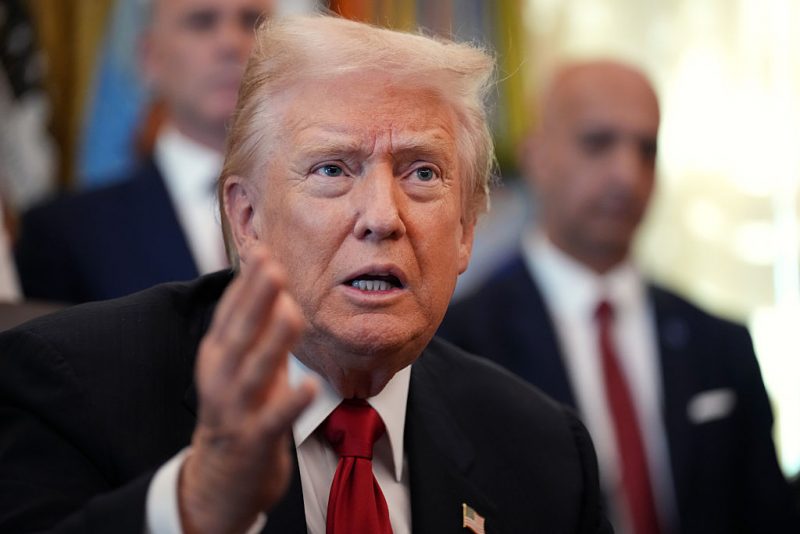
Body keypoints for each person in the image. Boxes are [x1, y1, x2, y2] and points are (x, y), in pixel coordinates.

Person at [0, 15, 611, 533]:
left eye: (422, 173)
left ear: (465, 232)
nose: (381, 217)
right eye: (331, 169)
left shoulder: (545, 452)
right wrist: (194, 507)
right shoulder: (68, 386)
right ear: (246, 218)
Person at [439, 61, 799, 533]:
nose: (627, 175)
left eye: (646, 149)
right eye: (598, 142)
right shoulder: (460, 341)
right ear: (536, 155)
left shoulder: (719, 344)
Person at [14, 0, 273, 304]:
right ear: (150, 57)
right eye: (201, 22)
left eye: (251, 22)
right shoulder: (65, 233)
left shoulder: (327, 202)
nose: (231, 43)